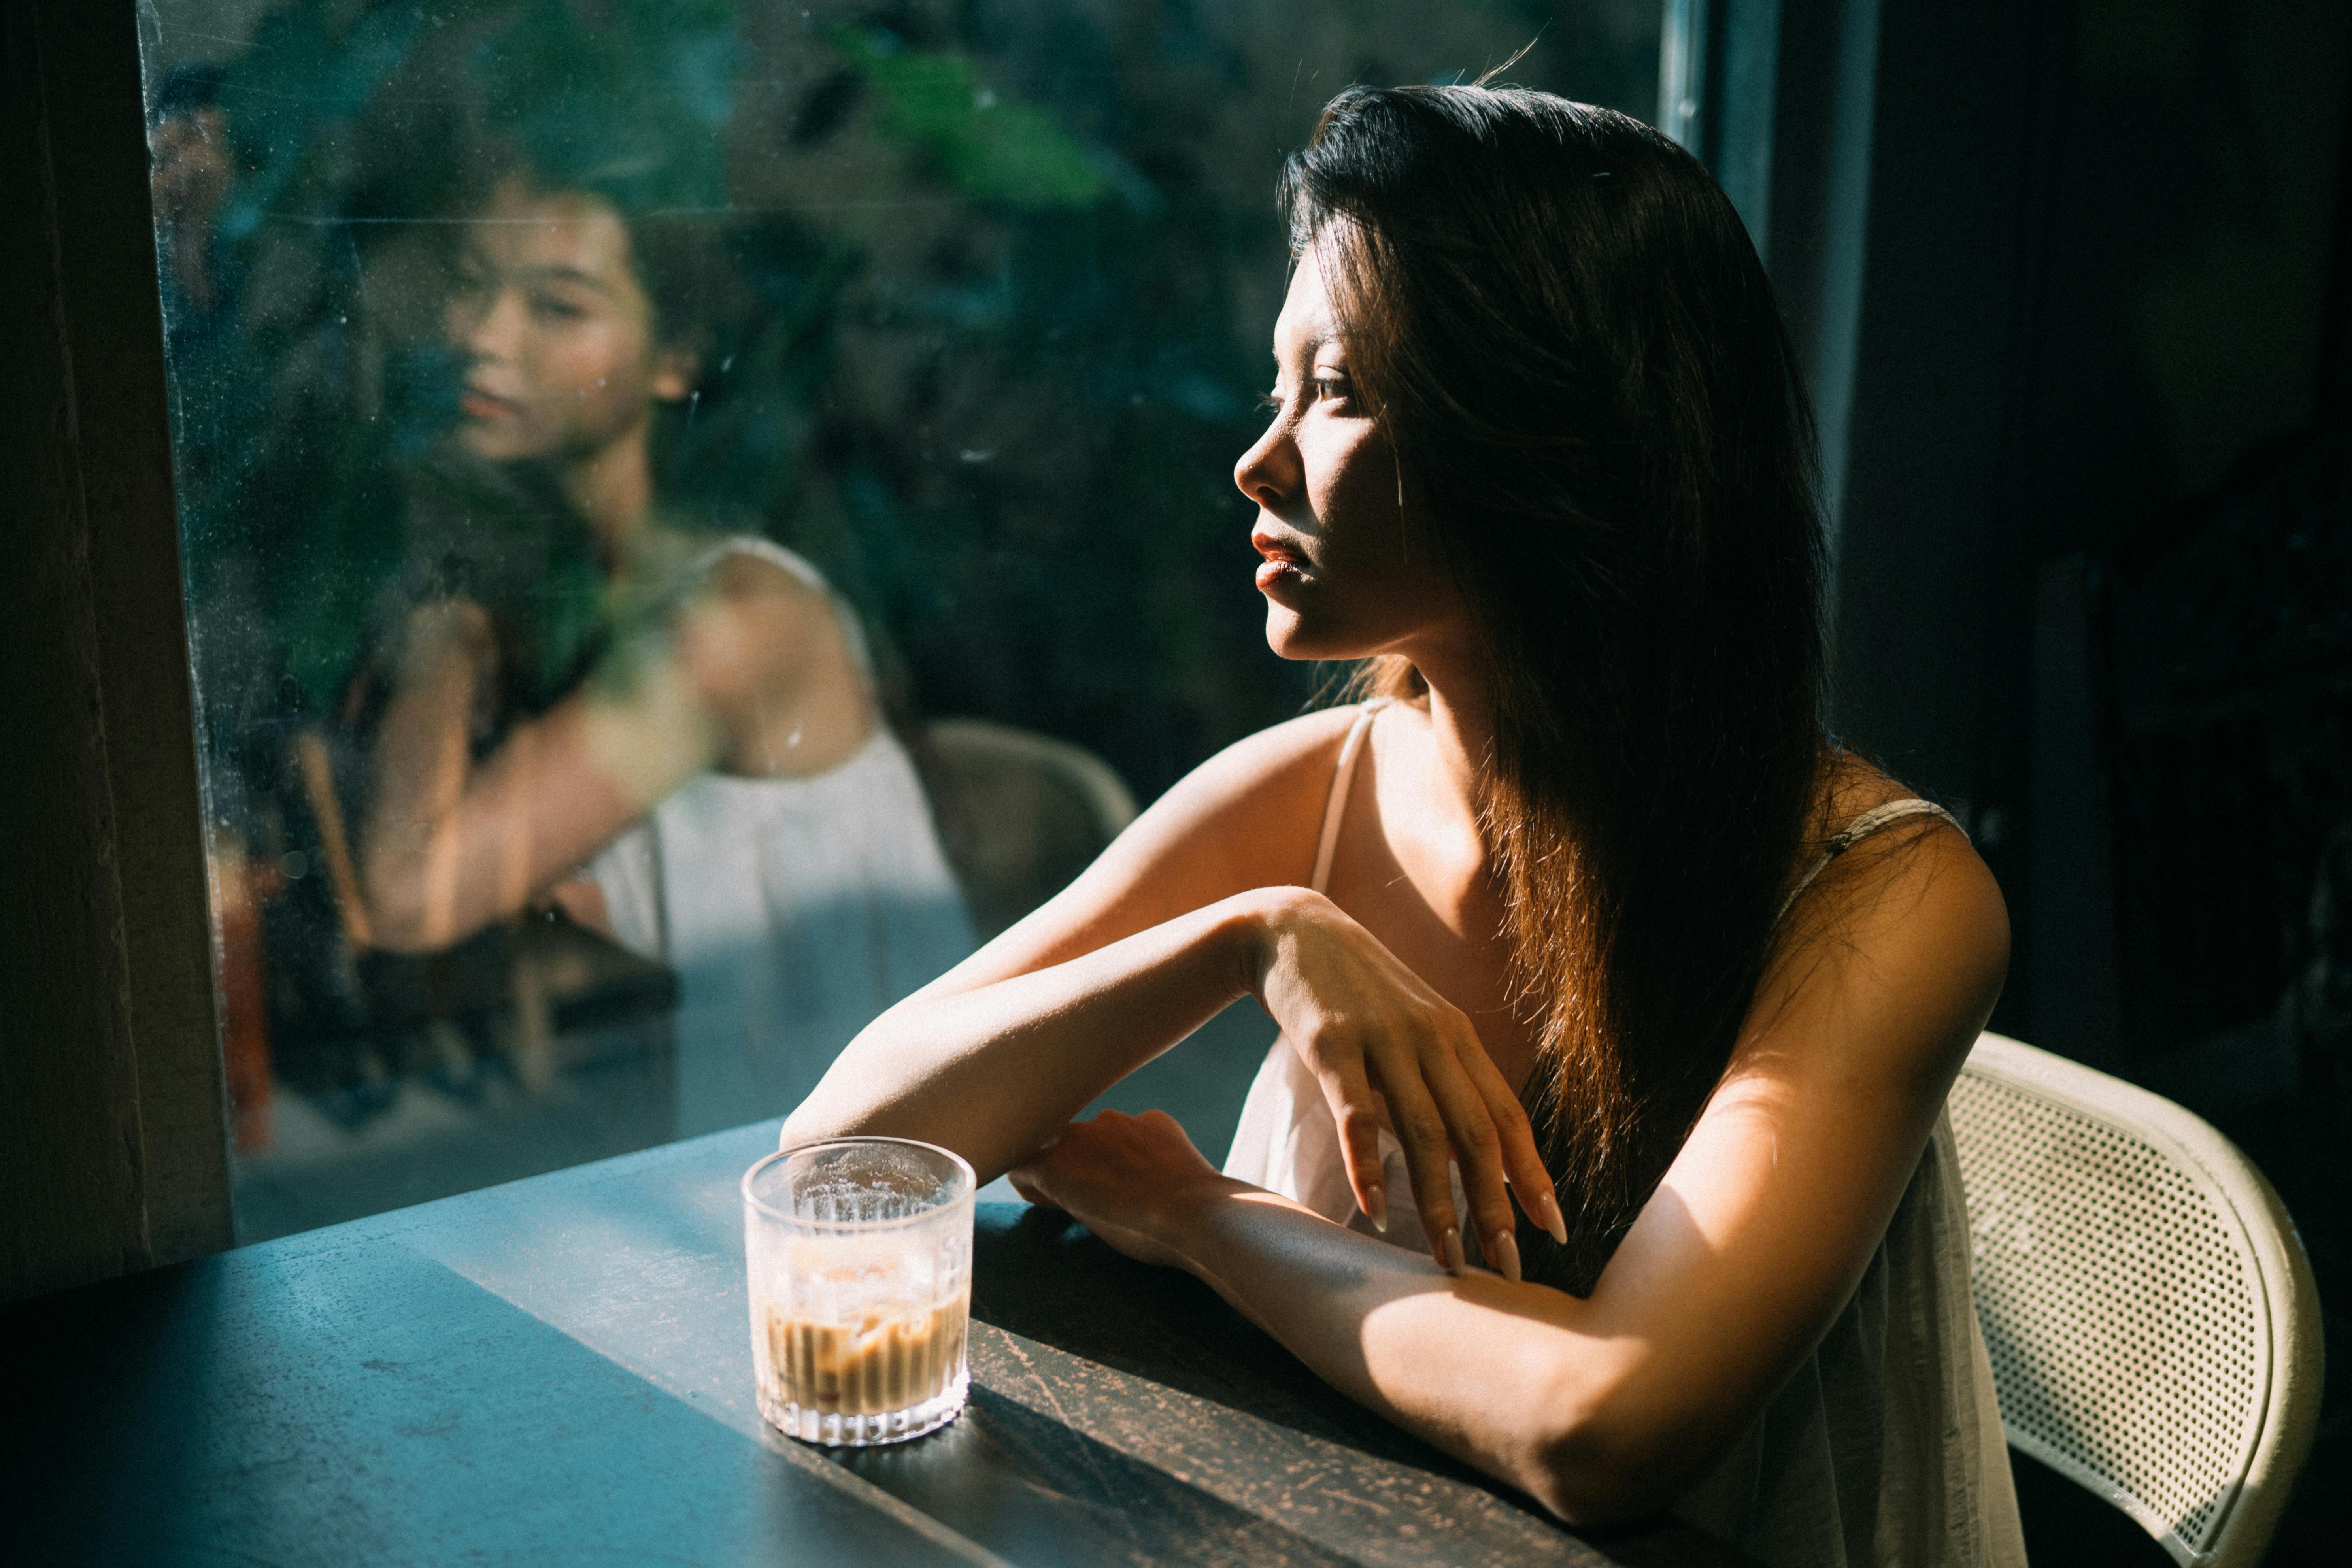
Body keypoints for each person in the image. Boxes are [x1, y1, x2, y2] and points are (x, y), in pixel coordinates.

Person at [785, 85, 2024, 1567]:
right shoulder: (1316, 794)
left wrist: (1196, 1213)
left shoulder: (1881, 895)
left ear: (1562, 438)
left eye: (1341, 391)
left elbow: (1608, 1425)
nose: (1259, 463)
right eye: (1275, 384)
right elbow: (842, 1158)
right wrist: (1245, 939)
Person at [359, 165, 973, 1138]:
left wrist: (443, 622)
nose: (481, 339)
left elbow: (406, 898)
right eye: (473, 285)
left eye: (557, 306)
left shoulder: (736, 618)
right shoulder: (587, 591)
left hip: (868, 1194)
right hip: (708, 1152)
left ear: (674, 359)